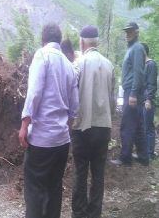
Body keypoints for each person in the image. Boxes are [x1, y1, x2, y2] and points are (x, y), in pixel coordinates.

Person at [19, 23, 79, 218]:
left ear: (43, 39)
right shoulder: (69, 66)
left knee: (35, 189)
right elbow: (74, 107)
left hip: (41, 140)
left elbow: (34, 93)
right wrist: (64, 129)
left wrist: (24, 125)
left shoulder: (42, 55)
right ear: (59, 40)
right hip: (62, 141)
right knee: (54, 188)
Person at [71, 25, 115, 218]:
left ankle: (79, 213)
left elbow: (72, 95)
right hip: (104, 126)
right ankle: (94, 213)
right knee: (98, 173)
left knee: (80, 171)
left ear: (82, 42)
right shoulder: (109, 65)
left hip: (83, 126)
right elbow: (112, 100)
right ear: (97, 42)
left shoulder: (79, 64)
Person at [111, 22, 149, 166]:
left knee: (127, 125)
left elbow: (138, 72)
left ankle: (125, 158)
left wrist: (132, 93)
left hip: (132, 92)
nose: (127, 34)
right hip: (133, 91)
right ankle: (143, 156)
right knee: (138, 125)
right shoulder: (132, 48)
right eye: (126, 32)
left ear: (137, 32)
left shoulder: (137, 48)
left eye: (130, 31)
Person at [141, 43, 157, 159]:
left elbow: (152, 84)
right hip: (143, 100)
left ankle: (150, 153)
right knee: (144, 126)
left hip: (148, 101)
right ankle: (145, 152)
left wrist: (148, 100)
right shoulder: (144, 65)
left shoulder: (151, 64)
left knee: (148, 127)